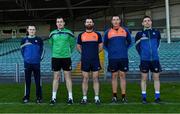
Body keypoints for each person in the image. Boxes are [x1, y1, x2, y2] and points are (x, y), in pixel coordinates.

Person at [103, 15, 131, 103]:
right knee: (114, 76)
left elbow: (130, 42)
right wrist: (111, 51)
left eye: (117, 19)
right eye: (114, 20)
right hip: (112, 58)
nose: (115, 21)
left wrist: (124, 49)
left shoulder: (125, 30)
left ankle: (123, 96)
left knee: (122, 76)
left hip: (123, 57)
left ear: (120, 21)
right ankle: (114, 96)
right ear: (111, 21)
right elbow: (104, 44)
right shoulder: (108, 32)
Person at [49, 17, 76, 105]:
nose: (59, 23)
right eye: (58, 22)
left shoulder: (69, 32)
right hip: (56, 57)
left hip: (66, 57)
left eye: (61, 22)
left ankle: (70, 97)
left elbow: (72, 44)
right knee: (56, 77)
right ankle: (53, 98)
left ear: (64, 23)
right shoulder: (52, 33)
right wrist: (57, 52)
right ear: (56, 24)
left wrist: (67, 52)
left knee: (67, 77)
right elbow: (51, 44)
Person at [135, 15, 161, 104]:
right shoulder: (139, 34)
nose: (147, 22)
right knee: (144, 78)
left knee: (156, 78)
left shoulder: (156, 32)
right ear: (142, 23)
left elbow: (158, 44)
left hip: (155, 59)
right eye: (145, 21)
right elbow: (136, 45)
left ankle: (157, 97)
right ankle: (144, 97)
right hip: (144, 59)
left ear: (151, 22)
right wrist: (142, 53)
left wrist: (154, 53)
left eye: (148, 20)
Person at [77, 18, 103, 105]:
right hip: (85, 60)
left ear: (93, 23)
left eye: (90, 22)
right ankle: (84, 98)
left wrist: (94, 54)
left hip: (95, 60)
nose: (89, 23)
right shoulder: (81, 35)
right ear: (85, 23)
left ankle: (96, 97)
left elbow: (101, 46)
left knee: (95, 78)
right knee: (85, 79)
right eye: (87, 22)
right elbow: (78, 46)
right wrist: (84, 54)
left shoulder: (97, 34)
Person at [21, 25, 44, 103]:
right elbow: (22, 51)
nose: (32, 31)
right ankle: (26, 97)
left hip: (36, 63)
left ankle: (39, 97)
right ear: (27, 30)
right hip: (27, 64)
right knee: (27, 81)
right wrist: (26, 59)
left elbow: (42, 50)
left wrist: (38, 58)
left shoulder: (39, 39)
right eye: (30, 29)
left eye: (33, 29)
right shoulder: (24, 40)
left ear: (35, 30)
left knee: (38, 81)